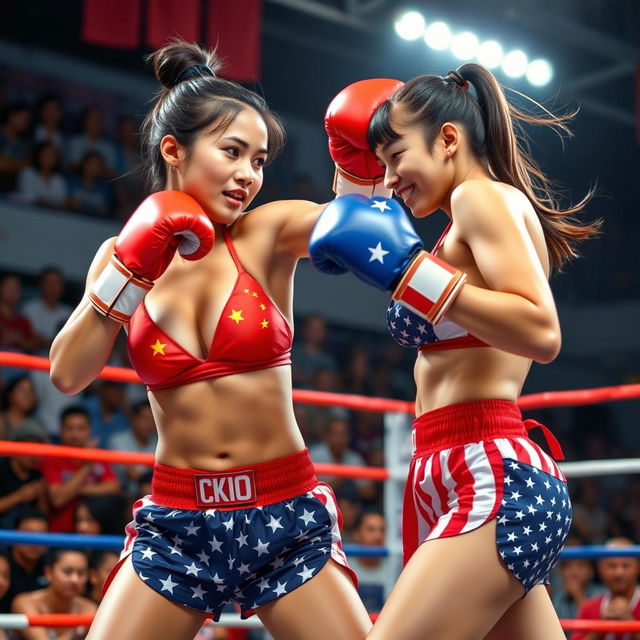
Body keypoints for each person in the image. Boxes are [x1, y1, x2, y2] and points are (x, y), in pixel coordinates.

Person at [49, 39, 370, 640]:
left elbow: (361, 225)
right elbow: (68, 373)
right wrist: (130, 272)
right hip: (178, 520)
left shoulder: (267, 233)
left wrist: (360, 164)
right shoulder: (118, 257)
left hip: (282, 513)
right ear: (175, 149)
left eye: (260, 160)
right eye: (233, 152)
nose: (249, 174)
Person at [309, 64, 600, 639]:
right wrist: (352, 174)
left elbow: (542, 331)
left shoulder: (479, 197)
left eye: (396, 157)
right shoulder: (457, 225)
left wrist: (413, 274)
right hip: (449, 468)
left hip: (489, 472)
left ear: (448, 140)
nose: (389, 178)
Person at [40, 406, 119, 533]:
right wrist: (87, 466)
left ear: (89, 430)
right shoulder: (51, 458)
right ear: (61, 430)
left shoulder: (97, 454)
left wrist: (72, 490)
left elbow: (113, 487)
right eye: (70, 428)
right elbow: (58, 499)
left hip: (95, 533)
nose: (75, 434)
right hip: (62, 533)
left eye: (81, 428)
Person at [11, 548, 97, 640]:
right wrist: (78, 631)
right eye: (67, 572)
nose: (74, 580)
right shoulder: (25, 603)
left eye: (81, 573)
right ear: (48, 573)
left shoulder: (89, 608)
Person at [571, 538, 640, 640]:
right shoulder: (589, 608)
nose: (618, 573)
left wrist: (630, 623)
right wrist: (600, 627)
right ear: (601, 569)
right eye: (612, 566)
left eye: (626, 566)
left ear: (638, 568)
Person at [0, 507, 49, 613]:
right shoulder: (2, 562)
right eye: (29, 534)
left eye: (41, 536)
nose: (34, 542)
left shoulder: (50, 565)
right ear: (15, 534)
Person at [0, 422, 48, 528]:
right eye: (30, 449)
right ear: (16, 447)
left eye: (38, 450)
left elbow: (43, 518)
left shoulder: (36, 475)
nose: (34, 456)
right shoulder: (2, 467)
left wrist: (41, 496)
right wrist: (20, 496)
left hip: (27, 534)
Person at [107, 400, 157, 496]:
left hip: (151, 488)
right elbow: (133, 474)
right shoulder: (118, 440)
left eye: (153, 419)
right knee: (147, 489)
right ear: (133, 419)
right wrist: (151, 469)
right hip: (121, 492)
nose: (149, 423)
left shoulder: (158, 441)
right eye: (144, 418)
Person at [349, 510, 389, 614]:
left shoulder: (395, 568)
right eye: (371, 530)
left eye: (382, 530)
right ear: (356, 534)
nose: (378, 536)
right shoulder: (344, 568)